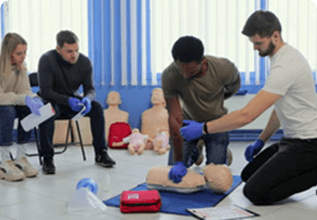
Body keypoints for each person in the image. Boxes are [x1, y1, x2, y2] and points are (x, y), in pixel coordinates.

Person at [180, 10, 317, 205]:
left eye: (258, 43)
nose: (254, 48)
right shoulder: (279, 58)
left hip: (309, 145)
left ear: (275, 36)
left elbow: (247, 115)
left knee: (254, 193)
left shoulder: (287, 64)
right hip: (291, 141)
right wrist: (261, 140)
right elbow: (280, 108)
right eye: (253, 43)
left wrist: (202, 128)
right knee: (247, 175)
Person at [162, 36, 241, 183]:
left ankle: (222, 154)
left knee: (216, 178)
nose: (185, 75)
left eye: (191, 71)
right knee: (174, 172)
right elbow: (174, 117)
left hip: (217, 125)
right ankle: (196, 150)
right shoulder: (170, 75)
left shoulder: (223, 68)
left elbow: (234, 85)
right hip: (188, 123)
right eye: (181, 70)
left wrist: (221, 98)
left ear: (203, 62)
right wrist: (178, 160)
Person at [38, 30, 116, 174]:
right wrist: (68, 100)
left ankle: (101, 153)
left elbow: (90, 90)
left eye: (76, 50)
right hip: (54, 101)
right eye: (69, 51)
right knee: (46, 111)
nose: (74, 55)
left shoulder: (84, 62)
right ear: (58, 49)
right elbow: (46, 91)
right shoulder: (47, 60)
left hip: (72, 102)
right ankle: (47, 158)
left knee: (97, 108)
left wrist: (87, 99)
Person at [0, 33, 44, 181]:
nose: (23, 56)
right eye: (19, 53)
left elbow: (24, 91)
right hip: (3, 106)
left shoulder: (21, 66)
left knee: (28, 109)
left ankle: (21, 157)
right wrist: (23, 98)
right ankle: (4, 159)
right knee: (8, 110)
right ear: (8, 53)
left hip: (9, 103)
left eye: (25, 52)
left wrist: (34, 99)